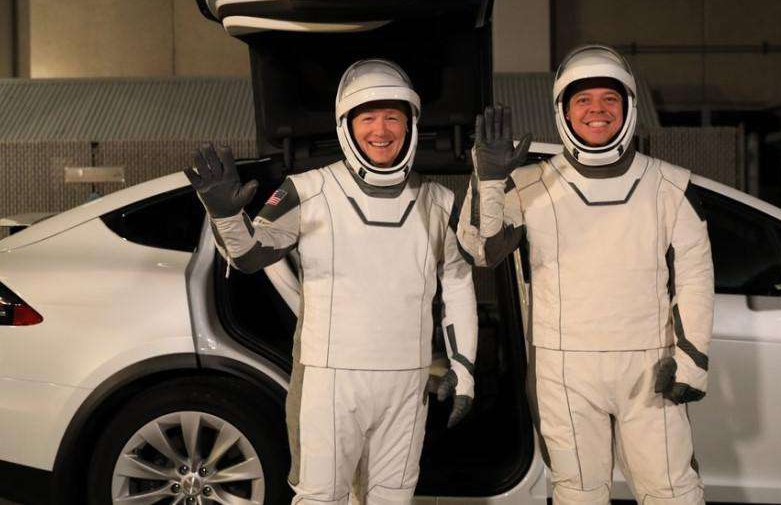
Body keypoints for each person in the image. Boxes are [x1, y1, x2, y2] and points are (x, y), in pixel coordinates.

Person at [186, 59, 478, 505]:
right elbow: (249, 256)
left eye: (392, 117)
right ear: (346, 125)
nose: (381, 130)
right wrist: (225, 214)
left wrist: (464, 369)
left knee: (393, 498)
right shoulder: (307, 191)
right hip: (329, 381)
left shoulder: (439, 201)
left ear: (410, 124)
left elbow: (457, 282)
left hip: (408, 381)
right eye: (368, 117)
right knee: (321, 498)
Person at [457, 45, 714, 504]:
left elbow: (695, 278)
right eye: (584, 100)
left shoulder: (671, 186)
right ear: (564, 110)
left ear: (628, 107)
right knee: (578, 493)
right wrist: (488, 180)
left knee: (672, 492)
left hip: (650, 365)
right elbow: (481, 251)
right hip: (563, 368)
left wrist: (692, 361)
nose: (597, 110)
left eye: (609, 99)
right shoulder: (531, 184)